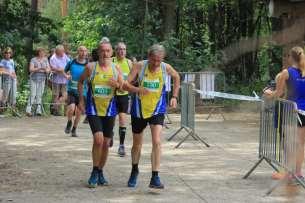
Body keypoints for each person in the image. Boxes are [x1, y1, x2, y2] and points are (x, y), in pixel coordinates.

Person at [124, 44, 180, 189]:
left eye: (159, 60)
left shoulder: (165, 67)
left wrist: (174, 96)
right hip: (139, 110)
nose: (156, 63)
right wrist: (137, 89)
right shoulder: (139, 66)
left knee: (157, 141)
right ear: (149, 57)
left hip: (157, 109)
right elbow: (124, 85)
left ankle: (155, 176)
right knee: (137, 144)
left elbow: (176, 76)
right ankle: (134, 170)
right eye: (154, 60)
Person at [78, 40, 123, 188]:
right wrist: (81, 101)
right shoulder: (91, 67)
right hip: (93, 109)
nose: (105, 53)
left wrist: (116, 85)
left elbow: (122, 88)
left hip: (110, 110)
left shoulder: (116, 68)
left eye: (108, 51)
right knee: (98, 140)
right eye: (102, 51)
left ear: (112, 53)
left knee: (106, 143)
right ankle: (94, 171)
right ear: (98, 52)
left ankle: (100, 171)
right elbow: (80, 82)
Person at [264, 46, 305, 183]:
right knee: (301, 144)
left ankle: (288, 173)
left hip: (292, 111)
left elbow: (278, 93)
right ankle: (298, 173)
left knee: (289, 143)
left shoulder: (286, 72)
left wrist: (268, 94)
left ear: (289, 57)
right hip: (303, 111)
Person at [113, 42, 133, 156]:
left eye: (124, 49)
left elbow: (132, 78)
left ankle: (121, 145)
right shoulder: (111, 61)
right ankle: (109, 134)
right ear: (116, 50)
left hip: (124, 95)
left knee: (122, 119)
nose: (122, 51)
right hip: (112, 95)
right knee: (110, 119)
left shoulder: (129, 62)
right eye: (119, 49)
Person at [64, 46, 88, 137]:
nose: (83, 52)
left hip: (83, 92)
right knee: (71, 108)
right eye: (81, 50)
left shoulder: (88, 64)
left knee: (79, 111)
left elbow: (91, 75)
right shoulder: (71, 62)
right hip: (72, 90)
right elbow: (64, 71)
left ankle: (74, 129)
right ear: (78, 52)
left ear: (87, 52)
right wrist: (66, 76)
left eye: (85, 51)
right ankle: (69, 121)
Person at [26, 48, 50, 116]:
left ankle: (38, 110)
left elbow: (48, 69)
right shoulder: (33, 59)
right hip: (34, 78)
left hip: (42, 79)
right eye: (41, 52)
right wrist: (39, 68)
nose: (42, 53)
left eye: (43, 52)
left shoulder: (45, 59)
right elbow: (31, 69)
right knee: (33, 94)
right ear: (38, 52)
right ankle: (28, 110)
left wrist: (46, 70)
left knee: (40, 94)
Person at [49, 45, 70, 116]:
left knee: (65, 95)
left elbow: (69, 63)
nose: (63, 53)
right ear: (57, 52)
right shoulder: (53, 58)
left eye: (63, 51)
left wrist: (64, 70)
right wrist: (62, 71)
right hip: (56, 80)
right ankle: (56, 112)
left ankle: (55, 106)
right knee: (56, 95)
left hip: (65, 80)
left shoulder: (64, 55)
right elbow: (55, 69)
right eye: (61, 52)